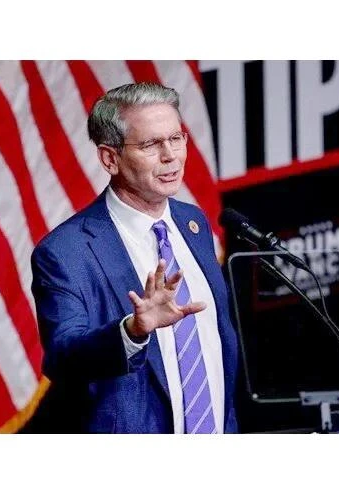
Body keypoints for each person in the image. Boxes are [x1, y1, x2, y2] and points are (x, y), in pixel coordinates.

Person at [30, 82, 239, 433]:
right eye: (150, 145)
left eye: (176, 138)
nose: (171, 155)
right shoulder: (66, 252)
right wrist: (132, 331)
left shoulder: (193, 223)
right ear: (110, 159)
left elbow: (217, 347)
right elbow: (62, 358)